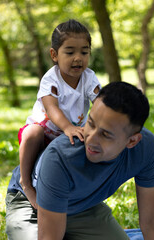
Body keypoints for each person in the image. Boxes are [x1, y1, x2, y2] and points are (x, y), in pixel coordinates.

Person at [6, 82, 154, 240]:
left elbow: (152, 222)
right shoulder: (60, 157)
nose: (91, 138)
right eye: (90, 123)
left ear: (132, 141)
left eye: (105, 134)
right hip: (30, 202)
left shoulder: (145, 148)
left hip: (81, 207)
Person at [18, 19, 100, 209]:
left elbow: (100, 101)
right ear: (54, 54)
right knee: (32, 133)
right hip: (45, 133)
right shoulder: (51, 78)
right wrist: (68, 127)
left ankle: (82, 191)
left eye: (84, 52)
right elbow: (51, 108)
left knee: (88, 139)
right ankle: (26, 183)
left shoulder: (89, 77)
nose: (78, 58)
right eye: (70, 52)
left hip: (69, 133)